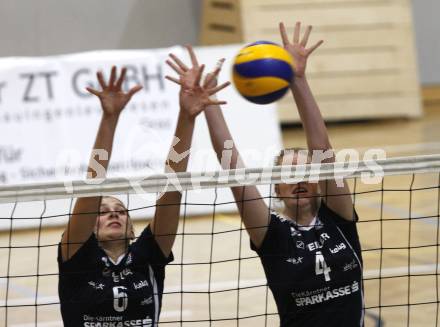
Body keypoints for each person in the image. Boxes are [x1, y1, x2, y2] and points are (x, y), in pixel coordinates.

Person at [198, 22, 363, 326]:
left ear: (318, 181)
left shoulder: (338, 219)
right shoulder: (271, 234)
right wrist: (209, 107)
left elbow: (322, 149)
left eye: (305, 172)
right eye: (288, 174)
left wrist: (297, 79)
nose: (299, 179)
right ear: (275, 188)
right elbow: (235, 172)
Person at [58, 46, 229, 327]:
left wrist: (186, 117)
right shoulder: (78, 254)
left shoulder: (148, 254)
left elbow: (172, 188)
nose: (114, 214)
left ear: (132, 228)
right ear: (89, 226)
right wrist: (109, 119)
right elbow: (92, 188)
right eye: (103, 211)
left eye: (121, 211)